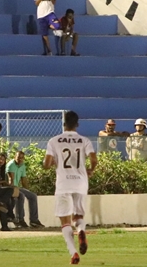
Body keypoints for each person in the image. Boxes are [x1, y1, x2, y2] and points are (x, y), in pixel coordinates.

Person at [44, 110, 97, 265]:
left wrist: (53, 163)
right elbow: (94, 159)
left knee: (65, 221)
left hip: (63, 184)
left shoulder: (54, 141)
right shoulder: (84, 140)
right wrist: (91, 170)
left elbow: (46, 164)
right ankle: (81, 231)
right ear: (77, 124)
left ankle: (73, 253)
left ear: (64, 124)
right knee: (78, 217)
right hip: (80, 182)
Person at [7, 150, 44, 228]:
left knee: (33, 196)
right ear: (14, 157)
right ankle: (20, 219)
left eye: (22, 158)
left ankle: (34, 220)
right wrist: (15, 190)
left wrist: (27, 190)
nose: (20, 159)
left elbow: (24, 180)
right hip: (10, 187)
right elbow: (11, 180)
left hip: (17, 186)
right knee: (21, 195)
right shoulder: (11, 165)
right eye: (18, 157)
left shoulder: (22, 165)